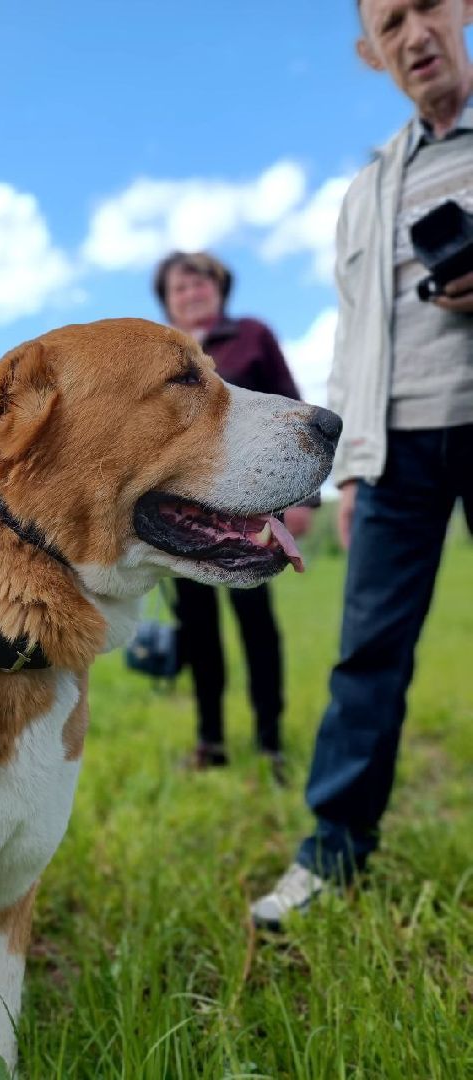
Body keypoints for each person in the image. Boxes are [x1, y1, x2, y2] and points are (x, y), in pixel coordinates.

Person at [251, 0, 473, 928]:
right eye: (391, 22)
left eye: (428, 6)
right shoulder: (368, 187)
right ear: (371, 52)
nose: (414, 32)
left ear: (460, 11)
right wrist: (348, 471)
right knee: (365, 658)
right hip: (396, 449)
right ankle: (331, 853)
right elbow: (351, 338)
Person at [153, 251, 312, 781]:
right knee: (198, 633)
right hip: (184, 517)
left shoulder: (251, 336)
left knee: (258, 629)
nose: (191, 293)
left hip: (254, 515)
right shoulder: (162, 357)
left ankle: (270, 741)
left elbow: (289, 407)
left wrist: (300, 501)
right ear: (168, 302)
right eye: (180, 288)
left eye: (200, 283)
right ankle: (211, 741)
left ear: (219, 289)